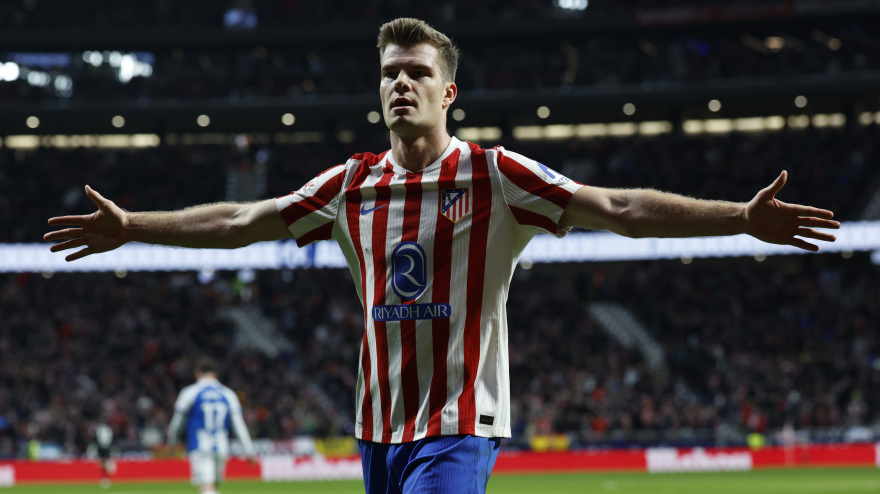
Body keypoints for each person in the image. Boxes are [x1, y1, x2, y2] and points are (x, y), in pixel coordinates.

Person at [44, 17, 840, 494]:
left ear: (447, 91)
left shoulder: (497, 176)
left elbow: (622, 208)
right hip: (376, 429)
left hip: (459, 424)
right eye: (389, 73)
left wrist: (741, 215)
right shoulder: (350, 185)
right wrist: (136, 226)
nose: (401, 84)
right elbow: (243, 219)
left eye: (418, 73)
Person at [167, 357, 256, 494]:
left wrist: (172, 442)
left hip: (200, 445)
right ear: (216, 373)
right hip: (221, 445)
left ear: (197, 373)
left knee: (207, 487)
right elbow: (239, 425)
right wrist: (249, 449)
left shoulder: (189, 392)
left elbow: (177, 421)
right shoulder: (228, 394)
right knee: (213, 486)